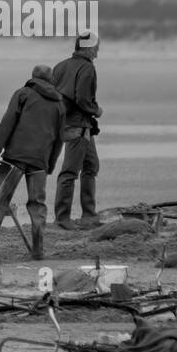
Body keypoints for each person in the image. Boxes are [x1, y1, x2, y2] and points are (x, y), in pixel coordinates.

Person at [0, 64, 66, 259]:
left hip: (14, 157)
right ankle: (38, 251)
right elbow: (59, 139)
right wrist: (50, 164)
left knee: (0, 201)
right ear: (51, 80)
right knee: (38, 205)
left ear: (33, 77)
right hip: (40, 161)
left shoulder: (22, 94)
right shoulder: (59, 104)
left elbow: (7, 122)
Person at [51, 34, 102, 229]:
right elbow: (83, 99)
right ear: (88, 49)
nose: (97, 52)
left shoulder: (60, 66)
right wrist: (96, 110)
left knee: (91, 165)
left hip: (67, 123)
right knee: (70, 171)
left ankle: (89, 215)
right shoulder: (87, 68)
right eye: (96, 48)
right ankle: (62, 219)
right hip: (78, 125)